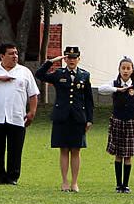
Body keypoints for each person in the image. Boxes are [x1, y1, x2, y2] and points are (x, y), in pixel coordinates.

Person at [0, 43, 39, 186]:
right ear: (2, 56)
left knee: (15, 149)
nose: (14, 56)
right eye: (11, 53)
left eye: (16, 53)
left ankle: (13, 177)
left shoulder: (24, 72)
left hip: (17, 116)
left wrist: (32, 112)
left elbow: (33, 94)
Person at [36, 46, 94, 192]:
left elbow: (88, 100)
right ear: (65, 59)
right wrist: (51, 61)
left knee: (76, 150)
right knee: (63, 149)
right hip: (61, 117)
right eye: (68, 57)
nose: (71, 60)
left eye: (74, 58)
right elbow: (40, 74)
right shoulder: (58, 74)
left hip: (78, 117)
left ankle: (75, 182)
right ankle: (64, 182)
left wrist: (89, 119)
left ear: (79, 59)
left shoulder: (84, 75)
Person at [98, 57, 134, 193]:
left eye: (128, 68)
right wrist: (116, 89)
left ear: (132, 70)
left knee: (128, 154)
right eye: (123, 68)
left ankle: (126, 184)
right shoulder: (114, 83)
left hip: (131, 122)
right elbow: (102, 89)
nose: (125, 71)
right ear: (119, 70)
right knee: (118, 154)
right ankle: (118, 184)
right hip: (117, 121)